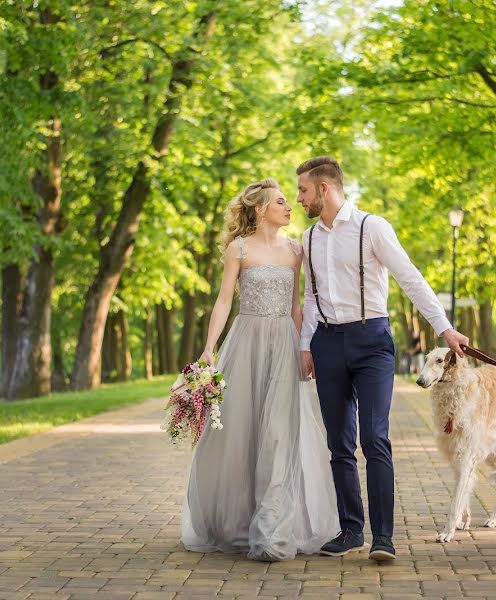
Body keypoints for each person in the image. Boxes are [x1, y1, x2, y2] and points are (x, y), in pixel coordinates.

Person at [296, 156, 469, 561]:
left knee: (374, 438)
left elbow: (410, 277)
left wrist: (444, 328)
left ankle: (384, 538)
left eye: (304, 190)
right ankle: (350, 530)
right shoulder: (308, 239)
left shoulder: (370, 227)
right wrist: (306, 345)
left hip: (372, 340)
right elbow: (309, 296)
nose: (299, 198)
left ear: (324, 188)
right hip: (326, 342)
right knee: (339, 443)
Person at [181, 178, 340, 562]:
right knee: (243, 430)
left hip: (284, 344)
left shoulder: (295, 251)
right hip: (246, 342)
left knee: (278, 433)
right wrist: (208, 348)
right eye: (282, 202)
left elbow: (297, 307)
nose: (290, 207)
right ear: (260, 209)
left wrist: (306, 348)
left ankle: (272, 530)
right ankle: (238, 521)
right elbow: (222, 303)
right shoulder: (238, 249)